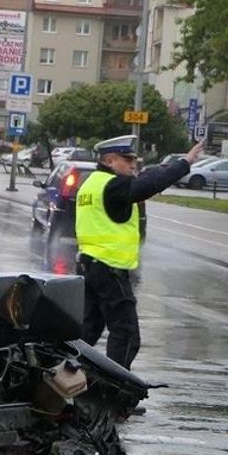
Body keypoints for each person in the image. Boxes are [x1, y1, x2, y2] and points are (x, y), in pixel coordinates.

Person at [74, 134, 205, 368]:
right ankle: (115, 393)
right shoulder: (114, 186)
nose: (133, 165)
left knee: (87, 331)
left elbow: (148, 176)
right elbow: (149, 184)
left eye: (134, 160)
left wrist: (179, 162)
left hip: (89, 266)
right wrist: (184, 164)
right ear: (110, 160)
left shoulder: (92, 182)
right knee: (126, 335)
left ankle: (60, 375)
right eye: (127, 159)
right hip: (109, 269)